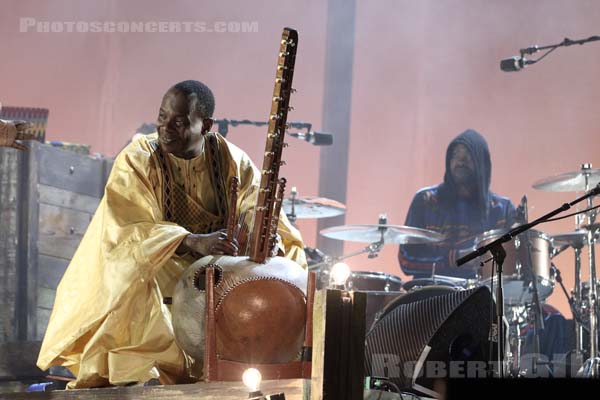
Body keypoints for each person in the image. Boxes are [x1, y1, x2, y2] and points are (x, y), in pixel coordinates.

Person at [36, 80, 307, 388]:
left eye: (179, 122)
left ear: (205, 125)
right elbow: (129, 227)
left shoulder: (231, 159)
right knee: (133, 274)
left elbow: (256, 204)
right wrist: (191, 240)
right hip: (157, 264)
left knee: (284, 265)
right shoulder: (139, 157)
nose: (166, 127)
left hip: (214, 273)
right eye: (162, 116)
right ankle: (145, 372)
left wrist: (262, 232)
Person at [398, 129, 516, 279]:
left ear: (482, 163)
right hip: (431, 295)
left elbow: (514, 264)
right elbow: (406, 261)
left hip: (482, 295)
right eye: (455, 156)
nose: (460, 162)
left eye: (468, 156)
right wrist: (455, 259)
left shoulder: (502, 209)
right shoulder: (426, 200)